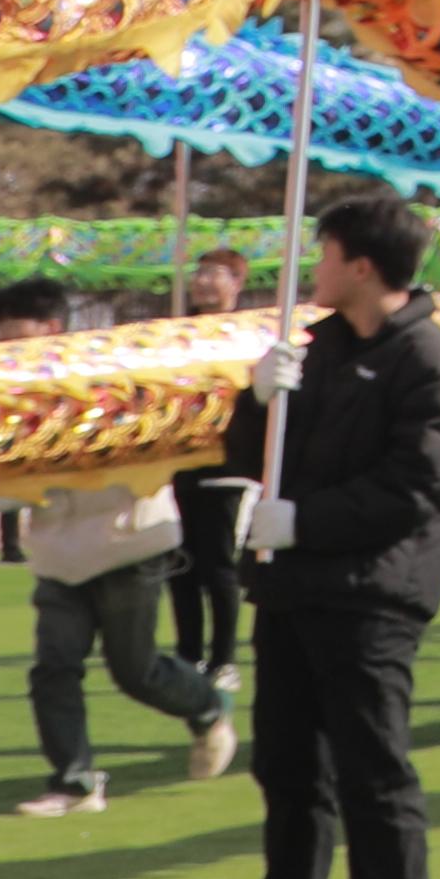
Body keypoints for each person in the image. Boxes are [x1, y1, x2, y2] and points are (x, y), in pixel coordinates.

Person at [222, 194, 440, 879]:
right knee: (288, 769)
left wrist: (309, 520)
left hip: (374, 593)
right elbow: (253, 457)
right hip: (294, 586)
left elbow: (425, 483)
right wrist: (257, 401)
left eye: (327, 252)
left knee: (374, 773)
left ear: (363, 266)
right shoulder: (320, 350)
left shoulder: (429, 362)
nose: (315, 267)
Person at [0, 280, 239, 813]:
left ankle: (207, 708)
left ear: (51, 329)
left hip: (127, 541)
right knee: (53, 667)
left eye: (14, 332)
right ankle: (73, 782)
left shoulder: (109, 379)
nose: (4, 344)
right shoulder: (6, 396)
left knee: (135, 670)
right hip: (58, 553)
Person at [166, 244, 262, 675]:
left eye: (215, 274)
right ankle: (188, 652)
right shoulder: (176, 332)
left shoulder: (245, 335)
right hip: (181, 459)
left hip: (226, 461)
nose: (203, 282)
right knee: (180, 561)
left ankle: (223, 659)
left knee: (217, 561)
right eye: (200, 273)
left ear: (236, 283)